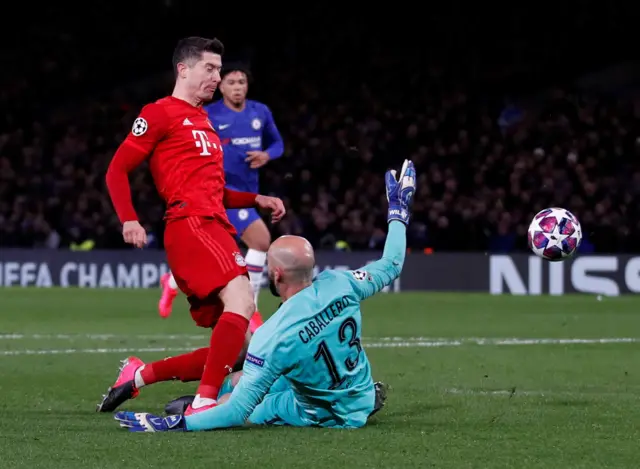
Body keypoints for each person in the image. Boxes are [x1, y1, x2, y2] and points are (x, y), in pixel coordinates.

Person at [113, 160, 416, 432]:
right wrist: (398, 213)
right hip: (355, 393)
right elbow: (391, 264)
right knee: (240, 377)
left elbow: (237, 411)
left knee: (237, 395)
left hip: (323, 412)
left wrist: (180, 423)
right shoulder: (341, 283)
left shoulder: (273, 335)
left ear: (277, 275)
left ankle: (194, 406)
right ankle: (161, 383)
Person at [100, 36, 286, 418]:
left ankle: (138, 376)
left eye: (219, 70)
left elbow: (213, 190)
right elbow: (116, 169)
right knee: (243, 301)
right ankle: (204, 403)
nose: (217, 77)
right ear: (183, 69)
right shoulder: (158, 113)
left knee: (241, 351)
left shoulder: (203, 119)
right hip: (191, 224)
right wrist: (129, 218)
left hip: (213, 222)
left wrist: (255, 199)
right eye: (210, 69)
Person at [158, 63, 284, 325]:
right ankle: (253, 310)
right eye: (231, 83)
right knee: (260, 242)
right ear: (221, 86)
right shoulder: (209, 114)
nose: (237, 88)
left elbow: (278, 143)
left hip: (246, 194)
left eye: (242, 82)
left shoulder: (260, 112)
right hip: (216, 193)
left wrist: (266, 155)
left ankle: (171, 282)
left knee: (221, 256)